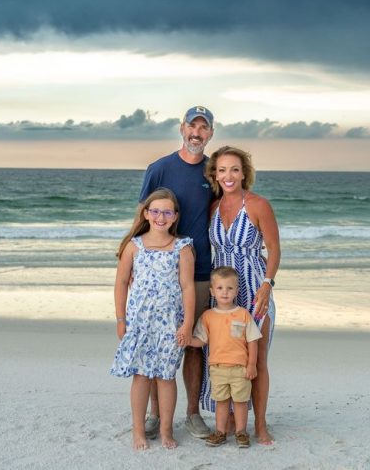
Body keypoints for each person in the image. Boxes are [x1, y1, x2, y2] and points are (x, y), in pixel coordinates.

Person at [137, 105, 215, 439]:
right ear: (182, 129)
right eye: (192, 126)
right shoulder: (159, 169)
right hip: (162, 275)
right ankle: (156, 415)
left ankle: (193, 413)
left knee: (194, 343)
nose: (197, 133)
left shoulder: (213, 173)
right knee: (160, 344)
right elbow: (145, 218)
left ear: (210, 133)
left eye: (204, 128)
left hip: (200, 273)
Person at [201, 146, 280, 445]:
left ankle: (260, 425)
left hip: (254, 289)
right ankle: (232, 423)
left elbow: (274, 249)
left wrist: (268, 284)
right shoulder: (213, 208)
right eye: (222, 170)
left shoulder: (259, 205)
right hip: (223, 294)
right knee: (225, 358)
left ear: (244, 172)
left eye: (234, 169)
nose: (228, 176)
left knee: (256, 361)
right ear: (215, 175)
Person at [110, 188, 195, 450]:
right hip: (140, 323)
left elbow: (188, 287)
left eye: (167, 211)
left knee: (166, 376)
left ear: (175, 216)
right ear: (146, 213)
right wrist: (121, 320)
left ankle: (166, 431)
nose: (161, 216)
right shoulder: (134, 246)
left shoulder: (182, 247)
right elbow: (121, 282)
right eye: (155, 211)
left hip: (170, 324)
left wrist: (187, 323)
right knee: (142, 376)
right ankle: (139, 431)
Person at [188, 266, 261, 449]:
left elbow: (253, 340)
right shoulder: (208, 316)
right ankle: (220, 432)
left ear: (237, 291)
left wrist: (251, 364)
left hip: (240, 369)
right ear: (212, 291)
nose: (225, 292)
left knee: (240, 402)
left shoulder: (243, 314)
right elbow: (201, 340)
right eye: (220, 288)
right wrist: (187, 340)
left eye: (229, 288)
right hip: (217, 368)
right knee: (221, 402)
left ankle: (241, 432)